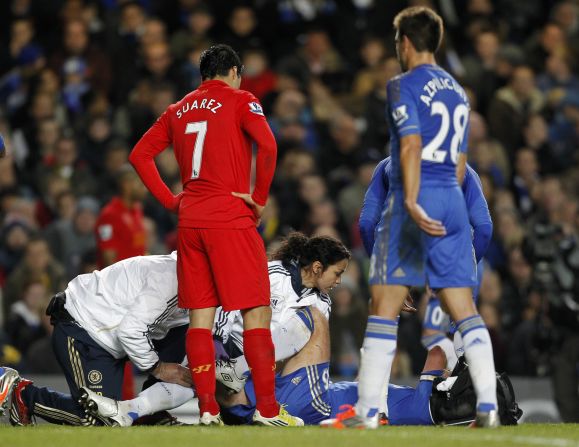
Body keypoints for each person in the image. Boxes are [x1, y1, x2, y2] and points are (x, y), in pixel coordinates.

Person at [330, 7, 499, 429]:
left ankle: (369, 413)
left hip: (416, 196)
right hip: (452, 197)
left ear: (404, 43)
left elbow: (407, 147)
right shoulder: (459, 92)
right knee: (464, 309)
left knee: (384, 307)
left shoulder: (401, 85)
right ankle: (489, 406)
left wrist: (409, 201)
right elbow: (461, 163)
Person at [128, 44, 300, 427]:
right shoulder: (242, 100)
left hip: (191, 222)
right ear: (235, 72)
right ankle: (269, 410)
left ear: (203, 76)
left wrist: (173, 201)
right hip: (229, 218)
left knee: (200, 319)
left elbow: (139, 155)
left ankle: (207, 410)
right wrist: (258, 198)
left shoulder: (176, 110)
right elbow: (269, 145)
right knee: (256, 311)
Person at [77, 232, 351, 426]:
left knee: (312, 319)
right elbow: (224, 307)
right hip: (229, 351)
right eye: (337, 273)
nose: (339, 281)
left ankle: (235, 375)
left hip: (261, 373)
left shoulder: (321, 303)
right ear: (317, 267)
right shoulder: (270, 275)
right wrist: (216, 349)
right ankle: (126, 411)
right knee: (194, 377)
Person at [0, 252, 192, 426]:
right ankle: (23, 395)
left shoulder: (195, 276)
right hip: (84, 327)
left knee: (190, 332)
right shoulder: (172, 281)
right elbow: (130, 331)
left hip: (112, 333)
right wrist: (159, 368)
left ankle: (152, 415)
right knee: (99, 419)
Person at [359, 156, 493, 370]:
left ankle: (372, 395)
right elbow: (484, 229)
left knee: (383, 318)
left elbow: (366, 224)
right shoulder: (462, 168)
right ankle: (467, 388)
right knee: (462, 319)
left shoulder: (389, 165)